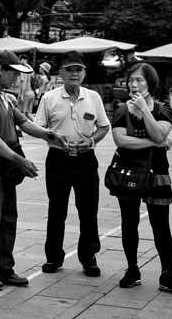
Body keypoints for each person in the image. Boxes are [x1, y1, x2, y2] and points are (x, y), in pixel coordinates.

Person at [0, 52, 59, 290]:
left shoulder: (5, 98)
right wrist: (20, 161)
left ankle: (2, 268)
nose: (18, 78)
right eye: (15, 72)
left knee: (7, 220)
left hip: (4, 169)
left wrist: (50, 135)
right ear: (2, 70)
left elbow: (25, 123)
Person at [109, 63, 172, 296]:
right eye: (131, 80)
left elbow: (160, 133)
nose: (134, 85)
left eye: (140, 81)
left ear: (150, 83)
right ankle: (132, 270)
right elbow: (122, 141)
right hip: (129, 172)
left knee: (161, 225)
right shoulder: (121, 109)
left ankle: (167, 274)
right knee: (129, 222)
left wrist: (145, 110)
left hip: (156, 173)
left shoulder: (163, 109)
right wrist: (156, 144)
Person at [34, 50, 110, 276]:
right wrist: (55, 138)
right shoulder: (49, 98)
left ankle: (89, 257)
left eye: (78, 69)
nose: (74, 74)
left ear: (84, 73)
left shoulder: (93, 97)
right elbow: (38, 128)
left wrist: (91, 140)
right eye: (70, 70)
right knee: (56, 209)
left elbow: (104, 126)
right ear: (61, 73)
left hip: (86, 159)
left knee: (88, 210)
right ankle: (53, 257)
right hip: (58, 159)